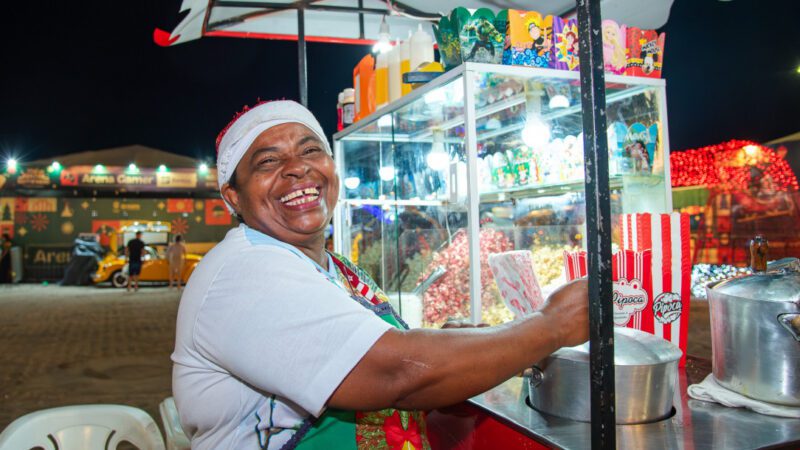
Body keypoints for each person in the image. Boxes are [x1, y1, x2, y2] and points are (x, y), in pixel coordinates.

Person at [172, 100, 589, 449]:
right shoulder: (244, 271)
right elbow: (398, 373)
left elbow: (390, 351)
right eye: (268, 161)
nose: (298, 169)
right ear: (233, 196)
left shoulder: (335, 268)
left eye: (311, 151)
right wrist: (551, 326)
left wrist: (458, 342)